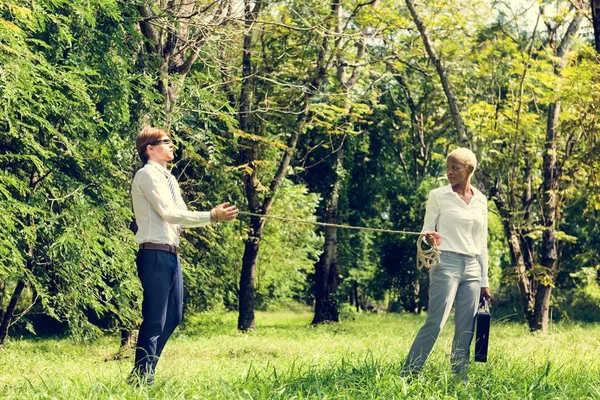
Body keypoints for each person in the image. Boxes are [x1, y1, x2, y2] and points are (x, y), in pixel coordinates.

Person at [129, 127, 238, 385]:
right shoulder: (147, 175)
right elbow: (169, 213)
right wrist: (211, 216)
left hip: (171, 254)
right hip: (154, 252)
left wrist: (213, 216)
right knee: (155, 319)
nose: (172, 146)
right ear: (150, 149)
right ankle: (142, 378)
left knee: (174, 317)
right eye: (166, 142)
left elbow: (181, 216)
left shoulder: (169, 179)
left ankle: (143, 374)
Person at [402, 147, 492, 380]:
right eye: (448, 167)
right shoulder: (438, 195)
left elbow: (482, 241)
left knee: (466, 328)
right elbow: (425, 230)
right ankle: (409, 375)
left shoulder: (481, 200)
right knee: (436, 322)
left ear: (469, 169)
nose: (449, 172)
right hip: (446, 263)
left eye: (455, 168)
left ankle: (459, 378)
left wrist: (484, 280)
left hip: (472, 267)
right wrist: (430, 238)